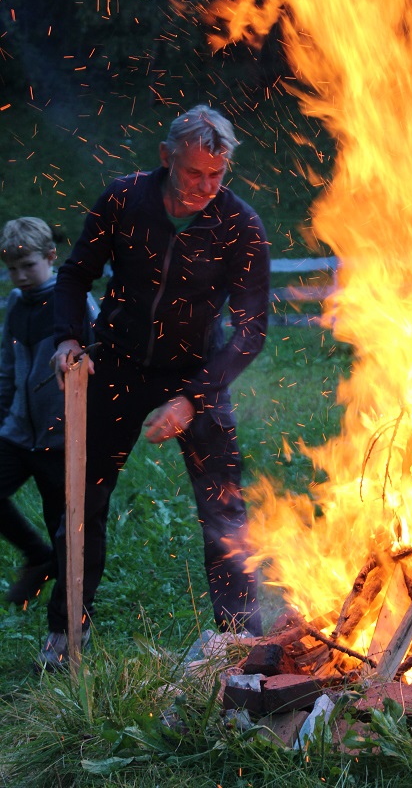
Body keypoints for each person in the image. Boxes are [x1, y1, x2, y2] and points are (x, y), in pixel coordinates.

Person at [39, 105, 270, 670]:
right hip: (115, 364)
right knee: (83, 501)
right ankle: (68, 630)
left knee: (224, 509)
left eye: (217, 175)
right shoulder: (124, 199)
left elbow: (250, 331)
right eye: (194, 173)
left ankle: (240, 642)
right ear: (167, 158)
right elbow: (74, 276)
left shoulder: (239, 226)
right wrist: (69, 338)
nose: (206, 187)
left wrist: (192, 398)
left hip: (196, 374)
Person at [0, 217, 96, 605]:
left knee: (65, 526)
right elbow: (8, 366)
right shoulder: (16, 304)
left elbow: (100, 362)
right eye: (12, 269)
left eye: (29, 266)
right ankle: (37, 556)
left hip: (62, 437)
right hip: (19, 433)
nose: (21, 276)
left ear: (51, 257)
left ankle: (69, 610)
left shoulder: (73, 302)